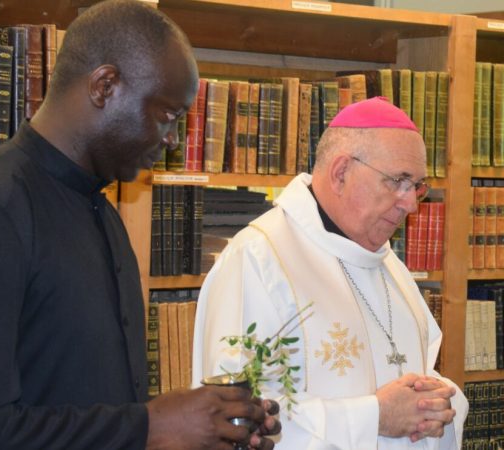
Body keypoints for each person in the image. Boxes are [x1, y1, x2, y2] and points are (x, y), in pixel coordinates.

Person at [0, 1, 280, 448]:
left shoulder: (100, 209)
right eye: (167, 116)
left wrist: (197, 429)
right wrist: (150, 428)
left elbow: (82, 398)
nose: (172, 139)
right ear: (104, 86)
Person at [192, 96, 469, 449]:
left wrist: (439, 403)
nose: (410, 203)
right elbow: (237, 415)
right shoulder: (259, 260)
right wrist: (374, 417)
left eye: (416, 186)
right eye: (398, 181)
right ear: (341, 173)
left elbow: (416, 370)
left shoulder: (391, 268)